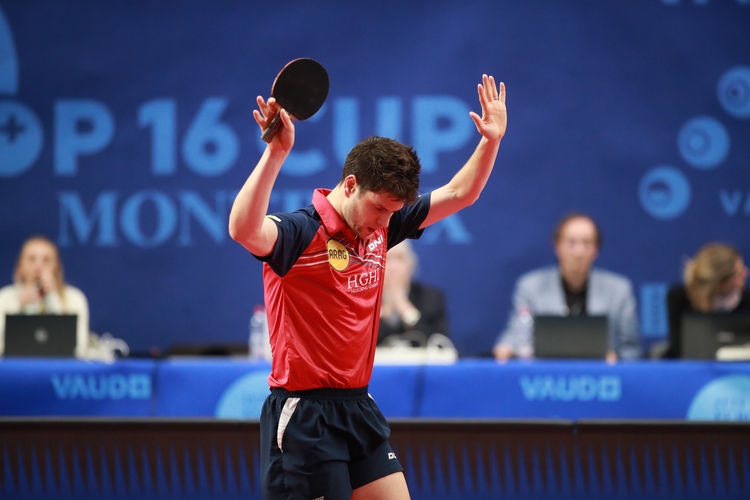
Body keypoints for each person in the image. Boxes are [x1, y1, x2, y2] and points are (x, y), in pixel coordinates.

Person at [229, 74, 507, 500]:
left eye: (392, 213)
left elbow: (460, 192)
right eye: (379, 209)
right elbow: (243, 230)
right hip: (305, 415)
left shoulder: (381, 227)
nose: (384, 223)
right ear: (351, 184)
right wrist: (276, 153)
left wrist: (491, 140)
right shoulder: (301, 233)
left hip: (357, 406)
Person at [493, 212, 641, 363]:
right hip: (546, 376)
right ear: (557, 247)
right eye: (571, 243)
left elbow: (631, 350)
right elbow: (517, 333)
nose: (579, 252)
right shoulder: (530, 286)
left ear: (596, 250)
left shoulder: (619, 289)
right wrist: (507, 347)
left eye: (587, 243)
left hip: (602, 379)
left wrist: (617, 360)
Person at [0, 235, 89, 358]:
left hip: (60, 371)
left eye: (46, 260)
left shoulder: (74, 298)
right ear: (20, 267)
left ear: (56, 268)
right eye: (32, 259)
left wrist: (53, 299)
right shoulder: (4, 298)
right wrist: (19, 308)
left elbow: (79, 349)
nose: (39, 266)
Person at [662, 242, 750, 359]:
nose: (746, 273)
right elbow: (679, 347)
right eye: (738, 273)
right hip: (693, 367)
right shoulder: (679, 298)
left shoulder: (748, 300)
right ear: (720, 282)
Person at [378, 240, 449, 346]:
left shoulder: (430, 297)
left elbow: (437, 342)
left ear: (411, 265)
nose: (393, 267)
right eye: (387, 259)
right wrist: (384, 313)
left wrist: (405, 309)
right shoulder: (363, 298)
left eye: (400, 259)